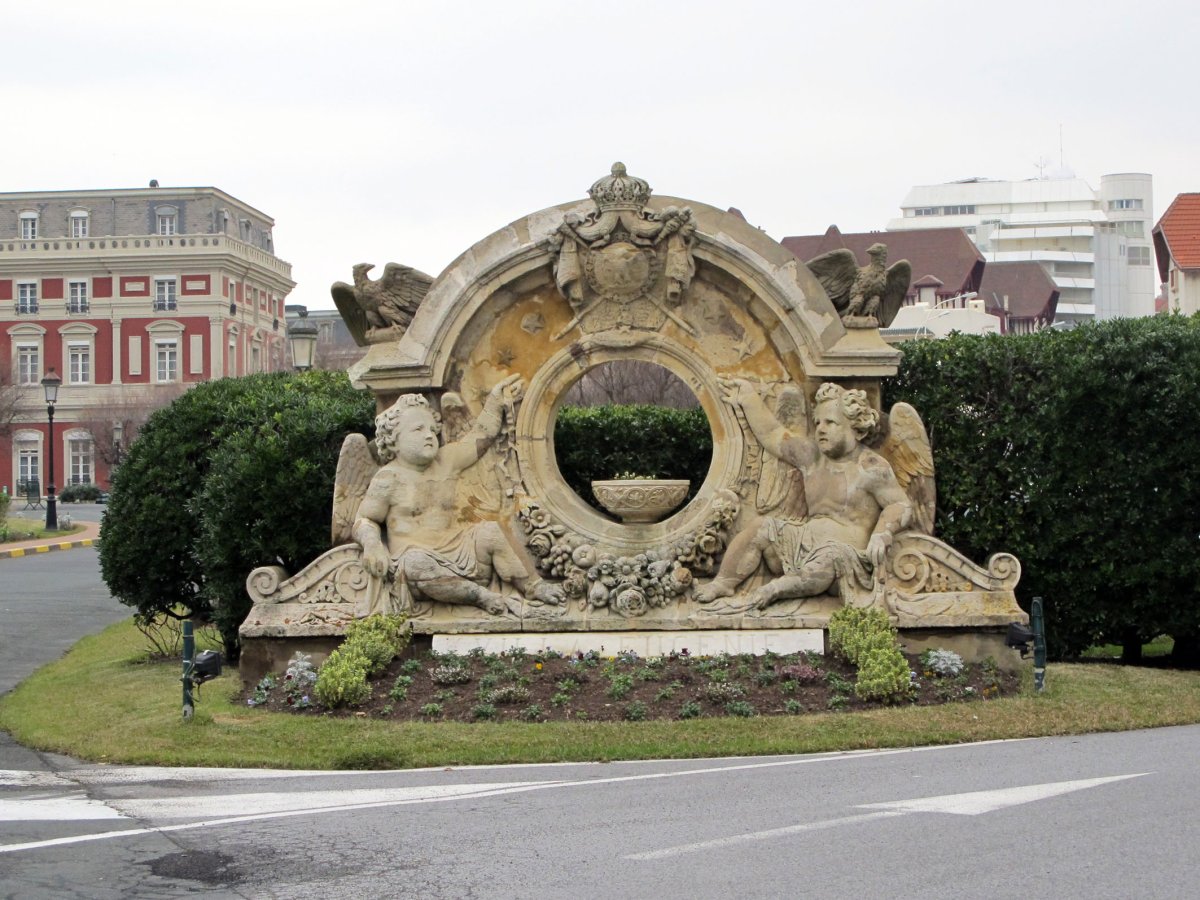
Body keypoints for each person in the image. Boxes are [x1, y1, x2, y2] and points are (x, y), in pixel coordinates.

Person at [695, 379, 911, 610]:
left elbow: (900, 504)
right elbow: (773, 434)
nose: (820, 429)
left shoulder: (870, 467)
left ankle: (774, 590)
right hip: (803, 542)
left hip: (846, 560)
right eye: (818, 422)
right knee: (761, 527)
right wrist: (749, 400)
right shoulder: (813, 458)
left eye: (830, 422)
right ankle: (724, 582)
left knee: (830, 556)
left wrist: (882, 534)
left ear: (855, 428)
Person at [354, 375, 562, 614]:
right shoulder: (388, 478)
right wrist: (372, 545)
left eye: (432, 429)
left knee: (491, 532)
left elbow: (480, 437)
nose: (429, 435)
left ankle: (533, 586)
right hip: (417, 561)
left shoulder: (446, 461)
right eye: (418, 429)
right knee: (416, 563)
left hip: (461, 550)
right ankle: (482, 597)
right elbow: (364, 520)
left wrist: (495, 402)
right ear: (393, 440)